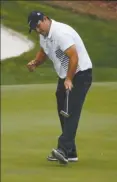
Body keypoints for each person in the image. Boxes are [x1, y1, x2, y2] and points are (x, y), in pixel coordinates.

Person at [27, 11, 92, 165]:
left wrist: (70, 79)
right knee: (63, 110)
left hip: (80, 74)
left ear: (45, 19)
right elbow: (44, 51)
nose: (38, 30)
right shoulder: (44, 35)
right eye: (35, 28)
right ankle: (70, 152)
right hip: (66, 76)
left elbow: (74, 56)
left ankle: (63, 149)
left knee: (71, 112)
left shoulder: (60, 33)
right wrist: (36, 62)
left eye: (38, 26)